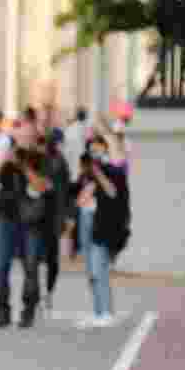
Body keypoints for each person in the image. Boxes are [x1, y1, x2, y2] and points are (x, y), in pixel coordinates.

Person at [0, 146, 51, 329]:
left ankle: (28, 312)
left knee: (30, 268)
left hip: (29, 223)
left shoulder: (39, 161)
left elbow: (41, 186)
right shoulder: (7, 165)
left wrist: (25, 167)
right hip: (5, 220)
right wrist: (5, 161)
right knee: (0, 267)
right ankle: (3, 313)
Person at [74, 137, 130, 328]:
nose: (95, 153)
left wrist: (98, 174)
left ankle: (106, 312)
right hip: (85, 221)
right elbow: (78, 199)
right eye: (92, 150)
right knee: (91, 270)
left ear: (105, 150)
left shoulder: (112, 171)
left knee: (100, 269)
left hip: (101, 223)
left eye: (99, 149)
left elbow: (113, 193)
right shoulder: (85, 173)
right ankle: (99, 311)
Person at [37, 130, 71, 312]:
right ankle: (36, 294)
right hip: (37, 215)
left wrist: (68, 215)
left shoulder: (62, 162)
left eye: (61, 142)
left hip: (55, 217)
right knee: (35, 257)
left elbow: (66, 191)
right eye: (58, 142)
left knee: (52, 260)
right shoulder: (39, 159)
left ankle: (48, 292)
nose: (59, 145)